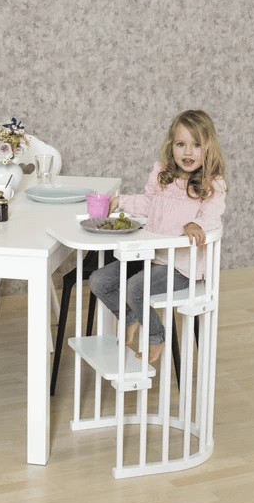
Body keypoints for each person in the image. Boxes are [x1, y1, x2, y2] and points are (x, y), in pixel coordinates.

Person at [88, 110, 227, 363]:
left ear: (209, 147)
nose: (188, 152)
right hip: (151, 256)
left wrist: (196, 224)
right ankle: (130, 318)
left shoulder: (212, 183)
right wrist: (121, 201)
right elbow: (149, 202)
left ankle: (156, 336)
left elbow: (213, 213)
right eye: (181, 144)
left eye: (196, 145)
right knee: (99, 280)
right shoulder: (163, 173)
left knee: (135, 287)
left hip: (181, 267)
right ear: (171, 145)